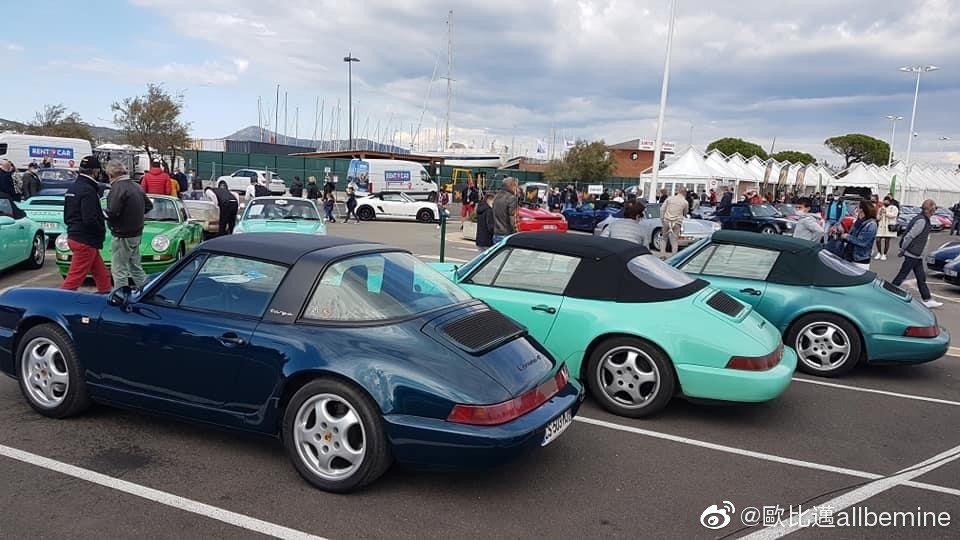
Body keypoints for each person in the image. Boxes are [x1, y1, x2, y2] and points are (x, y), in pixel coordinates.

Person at [62, 156, 112, 293]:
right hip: (86, 239)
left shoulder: (72, 188)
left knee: (102, 273)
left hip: (74, 235)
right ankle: (59, 303)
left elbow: (67, 214)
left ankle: (105, 294)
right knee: (74, 278)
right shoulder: (88, 190)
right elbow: (89, 218)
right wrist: (100, 230)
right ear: (95, 171)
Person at [104, 160, 153, 289]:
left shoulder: (117, 188)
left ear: (110, 174)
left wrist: (102, 214)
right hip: (136, 232)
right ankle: (147, 291)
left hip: (122, 233)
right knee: (135, 267)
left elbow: (113, 212)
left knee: (119, 270)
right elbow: (149, 205)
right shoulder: (136, 186)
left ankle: (121, 297)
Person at [892, 199, 942, 309]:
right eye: (934, 209)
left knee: (920, 277)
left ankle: (927, 298)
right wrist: (903, 249)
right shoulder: (922, 221)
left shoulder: (922, 219)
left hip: (916, 255)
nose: (934, 211)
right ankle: (889, 293)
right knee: (902, 275)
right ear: (929, 209)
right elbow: (910, 236)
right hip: (913, 254)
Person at [841, 200, 878, 270]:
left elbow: (863, 242)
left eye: (857, 207)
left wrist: (847, 236)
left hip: (860, 259)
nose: (856, 209)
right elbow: (852, 234)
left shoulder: (871, 224)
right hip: (849, 256)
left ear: (862, 209)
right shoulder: (858, 221)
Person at [661, 188, 689, 257]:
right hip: (677, 222)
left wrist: (662, 219)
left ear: (678, 191)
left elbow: (662, 209)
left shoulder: (669, 199)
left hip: (667, 220)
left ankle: (662, 255)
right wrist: (684, 215)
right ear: (685, 193)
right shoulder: (685, 202)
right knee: (674, 241)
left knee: (664, 238)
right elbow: (685, 213)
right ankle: (674, 257)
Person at [492, 177, 520, 243]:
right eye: (516, 186)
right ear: (512, 185)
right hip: (506, 234)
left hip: (496, 233)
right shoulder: (511, 198)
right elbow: (513, 218)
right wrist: (516, 233)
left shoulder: (497, 196)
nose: (517, 189)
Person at [875, 196, 899, 260]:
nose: (885, 202)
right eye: (884, 200)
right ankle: (879, 252)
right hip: (881, 226)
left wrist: (886, 212)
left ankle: (884, 254)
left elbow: (894, 215)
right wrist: (879, 214)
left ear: (889, 201)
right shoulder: (881, 208)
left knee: (887, 240)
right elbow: (877, 218)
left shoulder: (894, 208)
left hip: (889, 226)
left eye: (887, 201)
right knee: (878, 239)